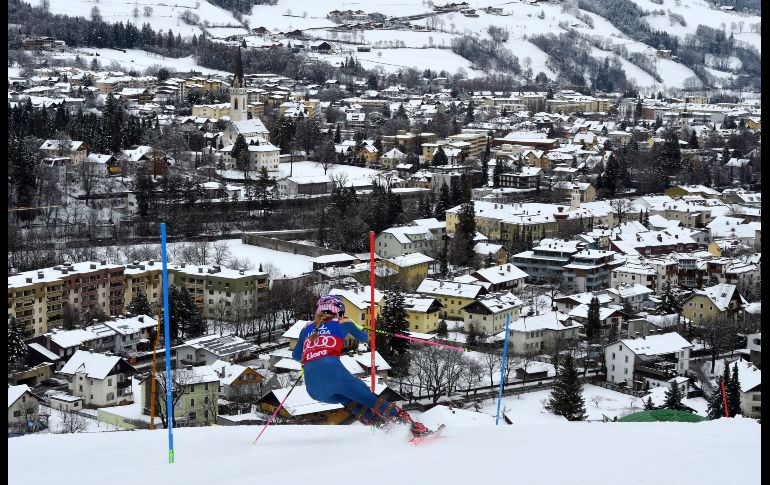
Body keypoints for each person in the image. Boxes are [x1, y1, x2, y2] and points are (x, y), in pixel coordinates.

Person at [292, 295, 430, 436]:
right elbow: (363, 337)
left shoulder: (306, 328)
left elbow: (296, 356)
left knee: (347, 399)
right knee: (370, 399)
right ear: (338, 311)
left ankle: (385, 427)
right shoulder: (342, 322)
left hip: (313, 389)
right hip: (335, 374)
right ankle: (413, 427)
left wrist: (313, 353)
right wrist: (354, 325)